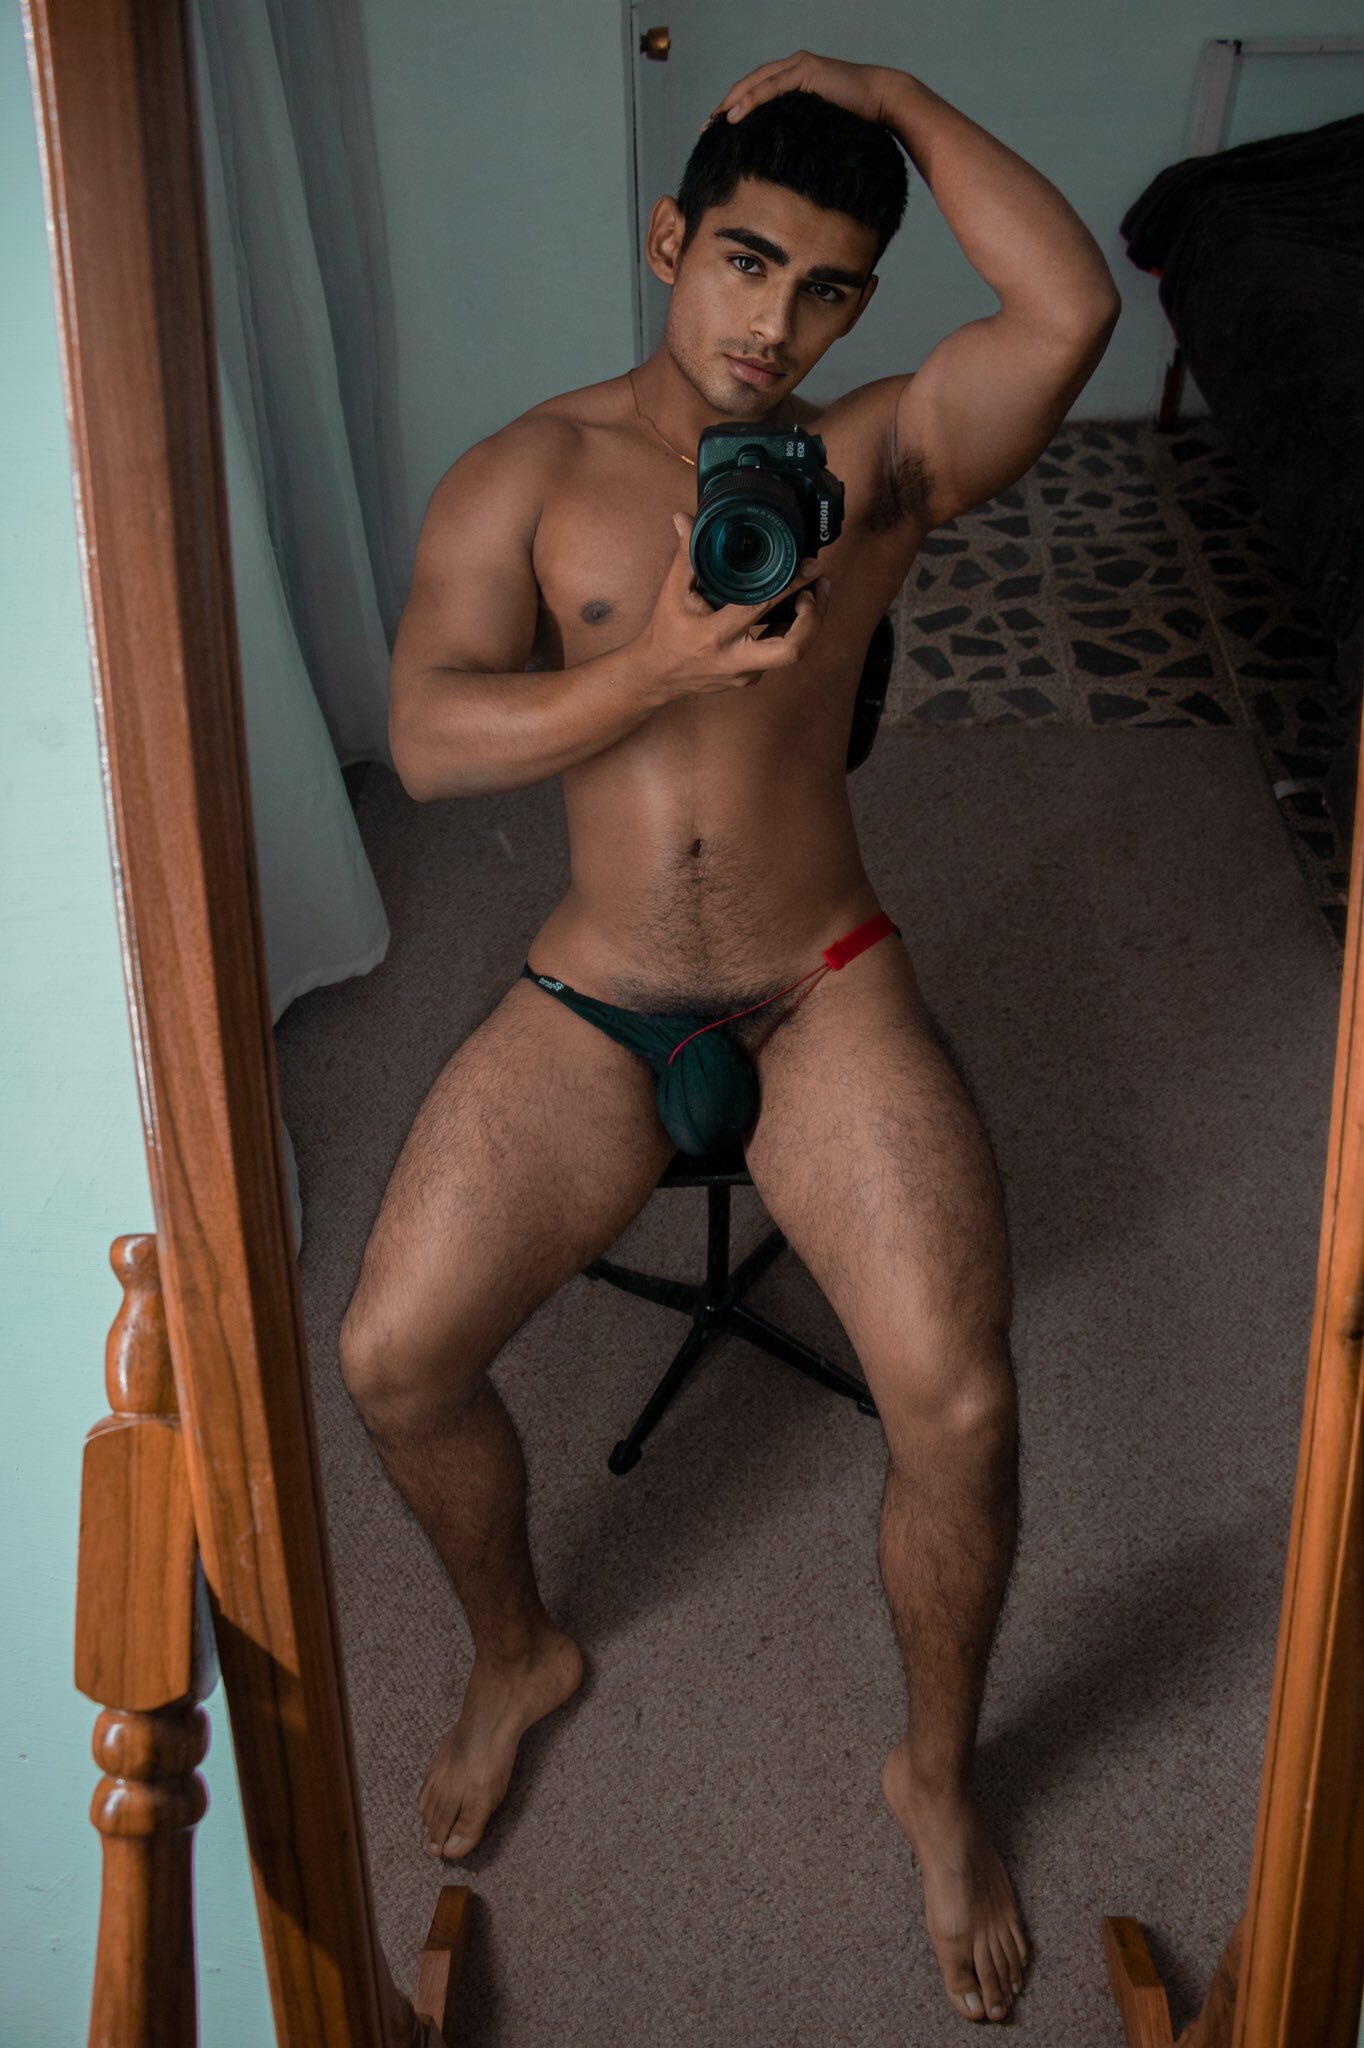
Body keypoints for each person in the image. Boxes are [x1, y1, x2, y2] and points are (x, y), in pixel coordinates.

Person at [340, 50, 1118, 2029]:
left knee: (959, 1405)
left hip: (818, 975)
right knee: (391, 1359)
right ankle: (516, 1647)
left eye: (829, 288)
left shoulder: (874, 462)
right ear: (668, 240)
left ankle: (934, 1774)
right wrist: (656, 667)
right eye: (747, 261)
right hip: (595, 990)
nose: (776, 322)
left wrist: (897, 95)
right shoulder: (526, 474)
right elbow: (426, 737)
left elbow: (1068, 311)